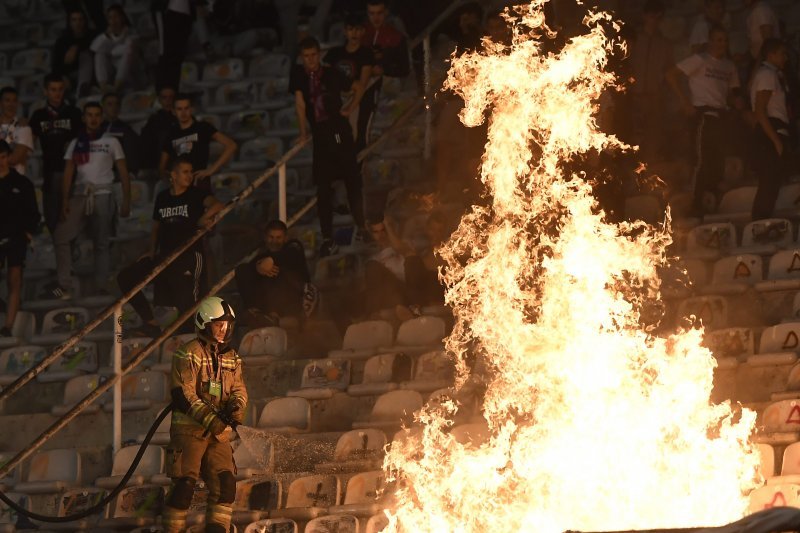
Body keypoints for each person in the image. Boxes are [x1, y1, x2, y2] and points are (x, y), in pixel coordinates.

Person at [163, 296, 247, 533]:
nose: (224, 329)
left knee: (226, 484)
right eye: (218, 324)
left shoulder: (233, 358)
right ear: (203, 324)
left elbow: (239, 390)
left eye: (227, 325)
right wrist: (213, 420)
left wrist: (235, 409)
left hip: (218, 436)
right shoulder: (187, 353)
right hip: (189, 431)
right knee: (184, 486)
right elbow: (184, 395)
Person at [117, 155, 222, 338]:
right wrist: (151, 251)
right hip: (164, 256)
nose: (189, 176)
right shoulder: (163, 197)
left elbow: (217, 204)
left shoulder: (196, 194)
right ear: (173, 175)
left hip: (190, 254)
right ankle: (150, 322)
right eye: (185, 172)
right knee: (126, 277)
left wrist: (204, 218)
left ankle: (194, 333)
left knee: (187, 302)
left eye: (191, 172)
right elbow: (156, 227)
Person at [291, 37, 366, 257]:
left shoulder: (332, 73)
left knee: (352, 180)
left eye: (313, 55)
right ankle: (327, 237)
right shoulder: (299, 77)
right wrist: (303, 132)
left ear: (319, 54)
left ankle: (362, 226)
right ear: (301, 57)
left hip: (339, 130)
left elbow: (358, 87)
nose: (310, 59)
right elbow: (300, 103)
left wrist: (350, 107)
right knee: (323, 188)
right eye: (306, 56)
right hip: (320, 136)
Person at [53, 102, 131, 298]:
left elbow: (123, 171)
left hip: (103, 193)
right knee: (61, 236)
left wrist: (126, 199)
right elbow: (68, 172)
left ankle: (101, 285)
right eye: (90, 115)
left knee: (101, 242)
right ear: (84, 118)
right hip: (80, 193)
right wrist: (64, 200)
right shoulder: (75, 143)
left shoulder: (111, 141)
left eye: (97, 115)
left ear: (101, 117)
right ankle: (65, 285)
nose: (93, 118)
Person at [666, 25, 741, 216]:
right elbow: (671, 75)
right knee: (702, 160)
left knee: (718, 162)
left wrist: (738, 105)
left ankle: (710, 202)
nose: (721, 44)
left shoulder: (729, 66)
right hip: (702, 114)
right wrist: (685, 102)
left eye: (724, 40)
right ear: (709, 41)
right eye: (718, 40)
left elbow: (731, 93)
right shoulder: (700, 60)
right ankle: (694, 204)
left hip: (721, 115)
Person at [29, 73, 82, 235]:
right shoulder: (38, 116)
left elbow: (84, 140)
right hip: (50, 173)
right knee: (53, 222)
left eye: (60, 89)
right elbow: (27, 143)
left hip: (73, 173)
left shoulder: (74, 112)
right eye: (53, 90)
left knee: (73, 223)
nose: (57, 93)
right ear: (45, 91)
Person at [234, 219, 311, 326]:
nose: (274, 242)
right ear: (265, 237)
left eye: (278, 238)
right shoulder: (261, 255)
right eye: (271, 237)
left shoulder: (293, 250)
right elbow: (246, 269)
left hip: (293, 300)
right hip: (266, 300)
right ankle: (254, 311)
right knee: (242, 270)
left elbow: (288, 257)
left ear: (285, 238)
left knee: (278, 271)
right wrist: (257, 267)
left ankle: (273, 315)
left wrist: (270, 261)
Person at [750, 39, 793, 220]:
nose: (785, 57)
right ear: (771, 55)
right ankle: (759, 223)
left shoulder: (775, 75)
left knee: (773, 182)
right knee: (768, 182)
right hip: (770, 132)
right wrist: (775, 140)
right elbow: (760, 111)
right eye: (782, 53)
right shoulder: (767, 75)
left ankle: (764, 222)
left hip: (777, 129)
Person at [0, 141, 40, 337]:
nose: (0, 162)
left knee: (14, 279)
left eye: (3, 157)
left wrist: (27, 232)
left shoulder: (22, 183)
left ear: (8, 157)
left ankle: (8, 326)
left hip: (16, 237)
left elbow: (33, 212)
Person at [159, 93, 237, 191]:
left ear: (191, 109)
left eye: (186, 108)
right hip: (179, 186)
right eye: (179, 109)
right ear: (174, 111)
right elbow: (162, 165)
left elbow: (231, 145)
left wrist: (211, 170)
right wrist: (169, 179)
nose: (183, 112)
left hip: (199, 182)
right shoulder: (171, 134)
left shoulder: (202, 127)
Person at [360, 0, 410, 149]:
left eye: (379, 13)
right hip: (363, 95)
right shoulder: (360, 35)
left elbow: (404, 69)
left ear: (386, 12)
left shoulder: (396, 38)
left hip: (387, 98)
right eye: (372, 13)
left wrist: (384, 71)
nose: (376, 18)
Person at [627, 0, 673, 161]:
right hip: (634, 95)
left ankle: (648, 172)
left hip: (654, 97)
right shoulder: (635, 40)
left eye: (658, 17)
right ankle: (631, 170)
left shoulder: (665, 44)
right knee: (633, 135)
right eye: (652, 16)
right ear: (645, 16)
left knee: (653, 136)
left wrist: (663, 92)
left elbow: (669, 70)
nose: (655, 20)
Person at [324, 13, 374, 151]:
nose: (354, 33)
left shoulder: (366, 53)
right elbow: (325, 78)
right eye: (351, 29)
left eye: (358, 29)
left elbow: (363, 84)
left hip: (355, 98)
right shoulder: (334, 53)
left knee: (354, 136)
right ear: (345, 31)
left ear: (363, 31)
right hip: (336, 100)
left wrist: (351, 106)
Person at [90, 4, 139, 93]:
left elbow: (127, 49)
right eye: (110, 18)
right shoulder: (106, 36)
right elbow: (94, 48)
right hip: (112, 71)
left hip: (129, 72)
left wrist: (111, 52)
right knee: (99, 54)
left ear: (122, 18)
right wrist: (106, 36)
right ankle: (103, 87)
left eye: (116, 17)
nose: (113, 21)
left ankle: (116, 87)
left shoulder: (131, 33)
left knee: (128, 51)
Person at [152, 0, 197, 93]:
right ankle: (162, 94)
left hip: (185, 12)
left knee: (178, 57)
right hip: (166, 9)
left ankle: (173, 93)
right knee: (165, 54)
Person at [52, 9, 95, 97]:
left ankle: (81, 92)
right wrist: (62, 75)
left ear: (85, 21)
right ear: (70, 22)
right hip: (70, 75)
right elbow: (56, 64)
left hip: (92, 74)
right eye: (74, 20)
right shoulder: (62, 41)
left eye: (80, 19)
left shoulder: (92, 36)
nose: (77, 23)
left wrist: (76, 48)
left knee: (85, 55)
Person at [101, 92, 141, 176]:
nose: (114, 107)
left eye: (117, 104)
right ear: (103, 107)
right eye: (109, 104)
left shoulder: (126, 130)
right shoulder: (95, 129)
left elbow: (131, 158)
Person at [140, 85, 178, 172]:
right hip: (158, 162)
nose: (168, 100)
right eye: (164, 97)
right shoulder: (154, 120)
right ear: (160, 100)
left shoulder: (184, 118)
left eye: (171, 97)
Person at [0, 87, 34, 176]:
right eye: (7, 100)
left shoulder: (24, 129)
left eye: (14, 101)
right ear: (0, 103)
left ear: (18, 103)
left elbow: (14, 159)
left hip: (14, 183)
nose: (11, 105)